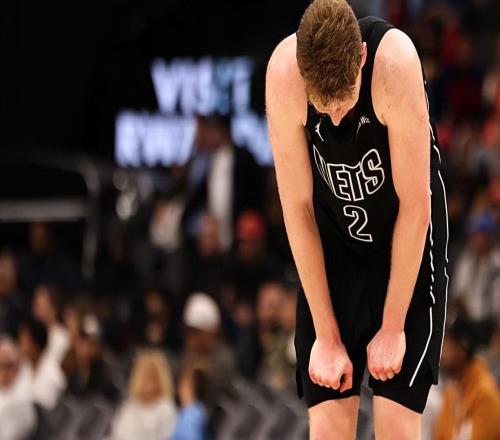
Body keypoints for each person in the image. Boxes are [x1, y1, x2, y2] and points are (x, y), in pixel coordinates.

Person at [265, 0, 449, 438]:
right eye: (322, 107)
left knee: (396, 423)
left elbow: (415, 205)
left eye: (344, 103)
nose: (334, 117)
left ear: (362, 58)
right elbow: (298, 208)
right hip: (334, 242)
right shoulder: (284, 74)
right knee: (327, 423)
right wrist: (326, 335)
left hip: (403, 238)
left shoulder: (394, 63)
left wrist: (393, 327)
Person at [433, 316, 500, 440]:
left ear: (463, 348)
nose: (442, 352)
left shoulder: (484, 394)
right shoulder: (451, 392)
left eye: (448, 344)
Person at [109, 349, 177, 440]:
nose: (148, 382)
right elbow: (116, 434)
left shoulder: (166, 409)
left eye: (152, 377)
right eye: (145, 376)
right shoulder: (128, 406)